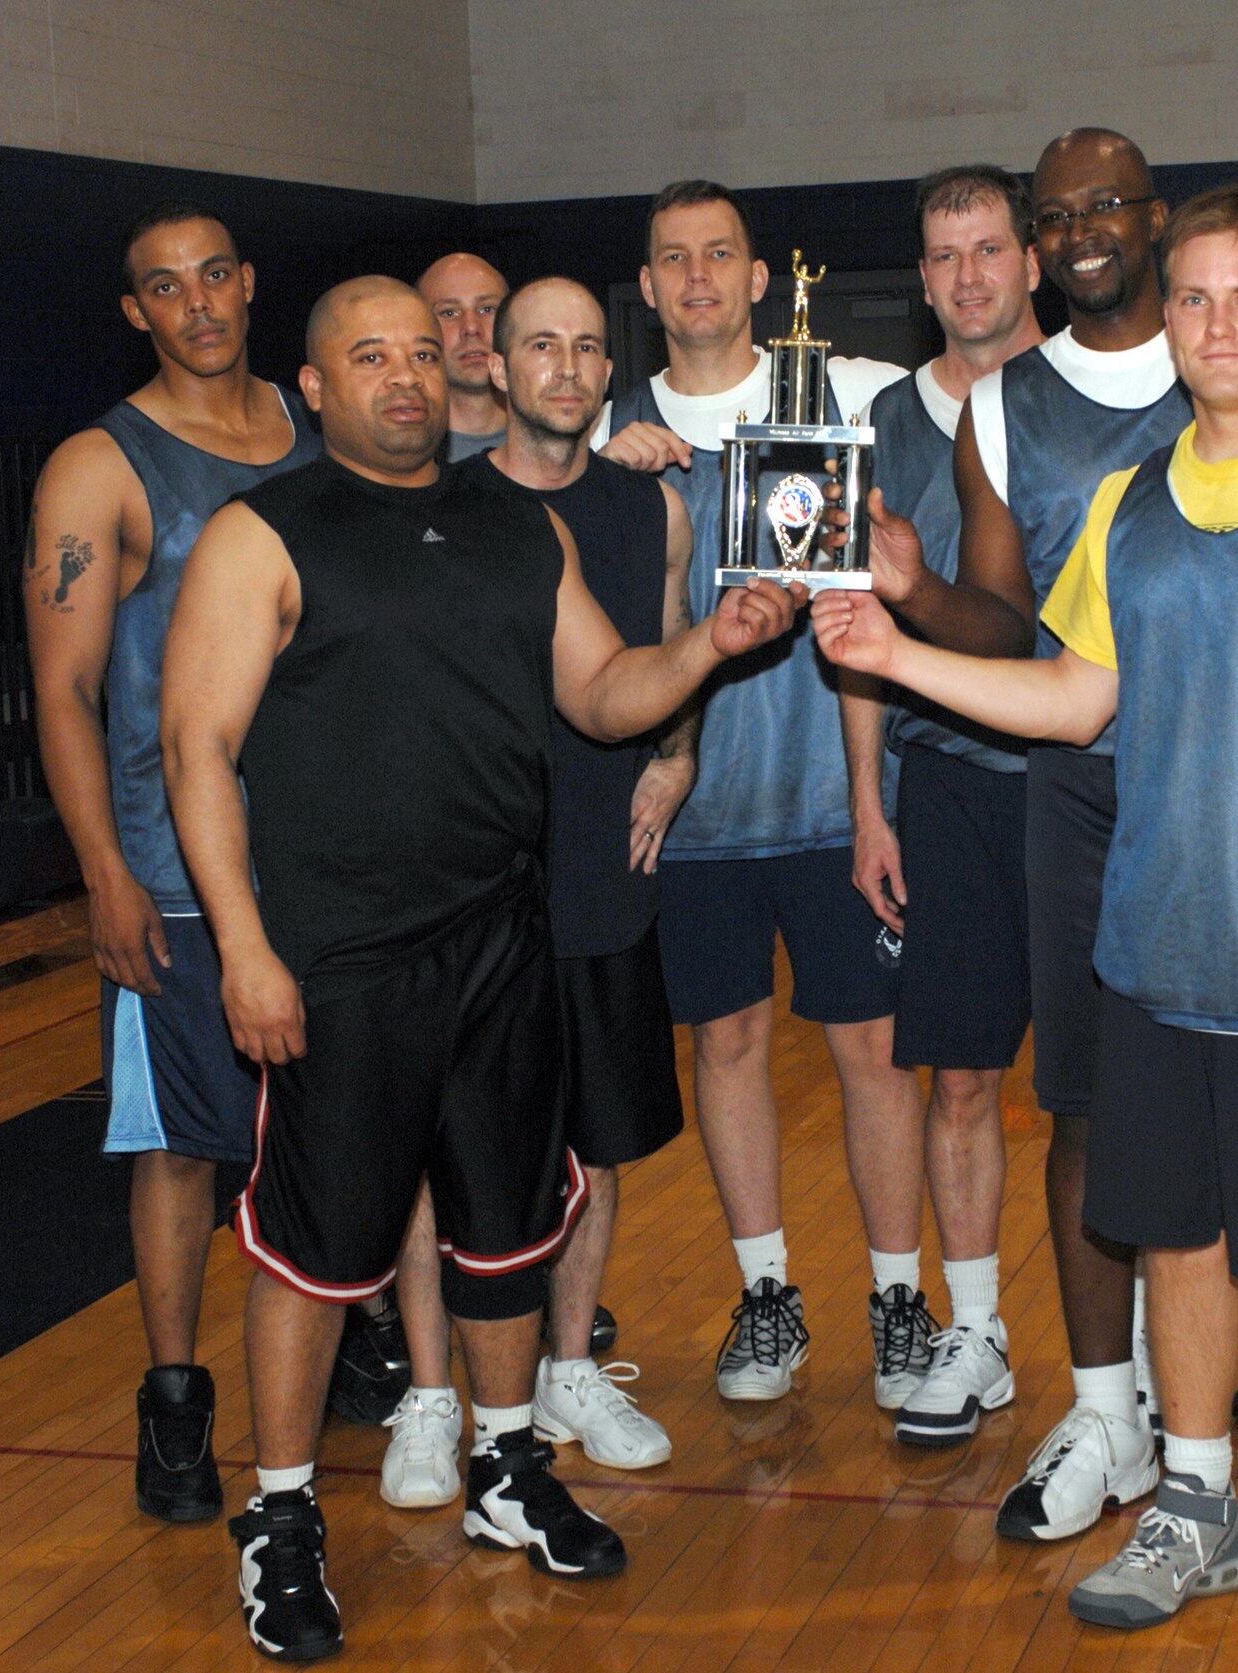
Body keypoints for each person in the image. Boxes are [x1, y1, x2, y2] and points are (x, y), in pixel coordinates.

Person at [815, 183, 1238, 1673]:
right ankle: (1195, 1504)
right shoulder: (1131, 507)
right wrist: (897, 646)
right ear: (1166, 324)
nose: (1219, 323)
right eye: (1195, 300)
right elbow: (1073, 699)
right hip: (1158, 962)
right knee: (1178, 1240)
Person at [159, 276, 802, 1662]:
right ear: (315, 387)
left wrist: (710, 642)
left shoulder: (519, 527)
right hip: (337, 961)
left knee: (509, 1228)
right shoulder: (261, 534)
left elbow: (602, 693)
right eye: (366, 356)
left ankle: (511, 1468)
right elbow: (194, 750)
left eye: (417, 352)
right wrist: (248, 950)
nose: (403, 376)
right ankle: (278, 1520)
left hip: (504, 941)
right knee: (320, 1254)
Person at [25, 203, 364, 1528]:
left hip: (330, 855)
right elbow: (64, 688)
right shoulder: (95, 469)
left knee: (343, 1123)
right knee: (176, 1148)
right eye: (166, 287)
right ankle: (176, 1402)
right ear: (136, 312)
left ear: (249, 282)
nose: (200, 303)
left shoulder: (321, 422)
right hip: (172, 868)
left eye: (215, 274)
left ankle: (352, 1338)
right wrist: (103, 871)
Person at [595, 181, 922, 1406]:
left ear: (755, 278)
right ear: (647, 286)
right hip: (694, 815)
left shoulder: (839, 399)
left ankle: (899, 1298)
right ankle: (767, 1293)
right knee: (724, 1044)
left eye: (717, 254)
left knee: (872, 1052)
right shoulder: (618, 434)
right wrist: (601, 471)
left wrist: (872, 799)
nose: (695, 277)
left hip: (837, 802)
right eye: (671, 258)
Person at [375, 275, 693, 1511]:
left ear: (607, 371)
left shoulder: (650, 508)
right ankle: (430, 1390)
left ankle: (567, 1368)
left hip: (599, 867)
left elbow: (671, 648)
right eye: (538, 346)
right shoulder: (443, 507)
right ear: (494, 368)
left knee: (594, 1140)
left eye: (586, 348)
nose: (564, 366)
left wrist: (676, 758)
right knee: (436, 1148)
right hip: (466, 879)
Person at [834, 165, 1046, 1444]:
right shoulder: (889, 429)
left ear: (1027, 260)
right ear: (921, 282)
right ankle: (973, 1331)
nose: (968, 276)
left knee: (1095, 1089)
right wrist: (868, 802)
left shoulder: (1093, 398)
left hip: (1086, 782)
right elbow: (856, 633)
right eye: (943, 257)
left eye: (988, 249)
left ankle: (1121, 1346)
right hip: (947, 788)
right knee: (959, 1077)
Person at [416, 251, 510, 460]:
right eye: (449, 313)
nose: (471, 327)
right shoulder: (389, 452)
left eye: (487, 309)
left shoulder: (564, 438)